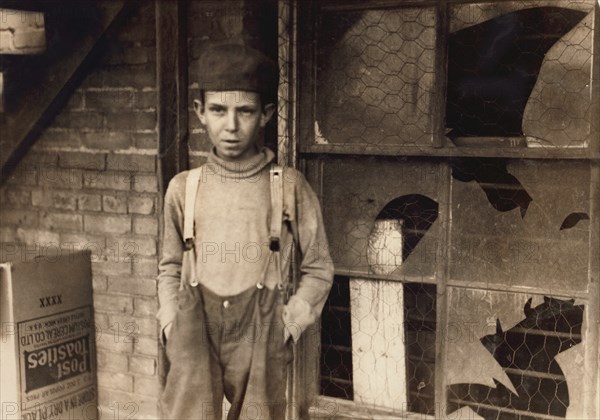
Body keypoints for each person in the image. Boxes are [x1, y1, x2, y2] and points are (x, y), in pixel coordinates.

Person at [156, 43, 334, 420]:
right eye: (219, 110)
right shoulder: (183, 188)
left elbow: (318, 268)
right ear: (200, 113)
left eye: (246, 111)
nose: (231, 126)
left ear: (266, 114)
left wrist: (288, 326)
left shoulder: (287, 186)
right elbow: (169, 267)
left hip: (261, 332)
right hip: (193, 328)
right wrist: (171, 321)